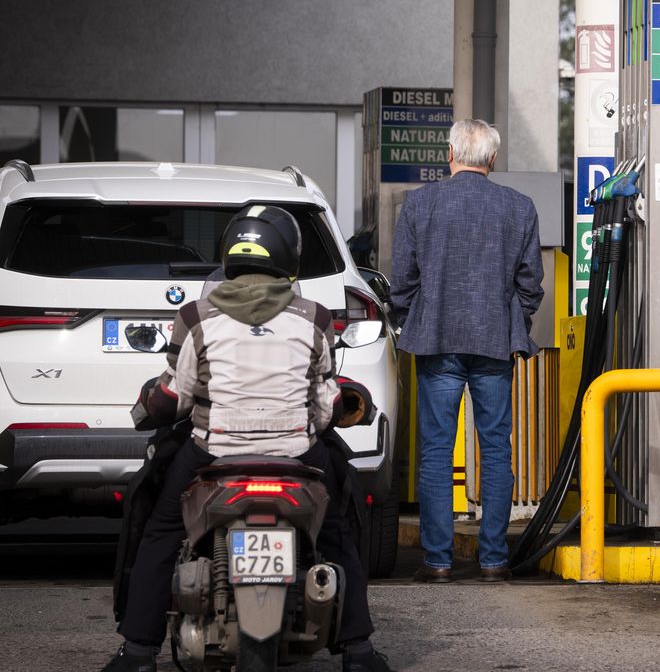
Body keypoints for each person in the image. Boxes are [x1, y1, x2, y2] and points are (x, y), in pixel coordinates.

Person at [102, 205, 391, 672]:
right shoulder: (314, 316)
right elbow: (323, 404)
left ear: (229, 255)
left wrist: (150, 404)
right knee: (338, 530)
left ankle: (137, 652)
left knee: (157, 529)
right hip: (297, 453)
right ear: (289, 257)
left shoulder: (196, 315)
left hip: (211, 453)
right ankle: (358, 651)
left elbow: (176, 398)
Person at [390, 118, 544, 583]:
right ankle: (494, 559)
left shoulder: (419, 204)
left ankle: (437, 562)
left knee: (437, 450)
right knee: (496, 448)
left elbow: (402, 281)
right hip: (495, 341)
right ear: (493, 159)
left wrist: (406, 318)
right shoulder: (519, 207)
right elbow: (530, 284)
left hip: (436, 339)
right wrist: (514, 320)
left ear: (449, 154)